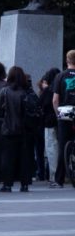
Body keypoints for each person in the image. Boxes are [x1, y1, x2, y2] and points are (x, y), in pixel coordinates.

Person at [0, 66, 35, 192]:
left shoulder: (4, 91)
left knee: (7, 157)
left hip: (7, 129)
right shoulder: (26, 92)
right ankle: (25, 184)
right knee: (24, 157)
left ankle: (7, 184)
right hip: (24, 129)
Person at [52, 50, 75, 187]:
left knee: (63, 145)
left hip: (65, 111)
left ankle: (59, 179)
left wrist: (58, 114)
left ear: (67, 60)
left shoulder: (60, 76)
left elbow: (55, 100)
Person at [40, 68, 61, 186]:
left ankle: (54, 175)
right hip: (64, 121)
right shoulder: (62, 87)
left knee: (52, 148)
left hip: (49, 122)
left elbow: (40, 104)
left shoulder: (48, 91)